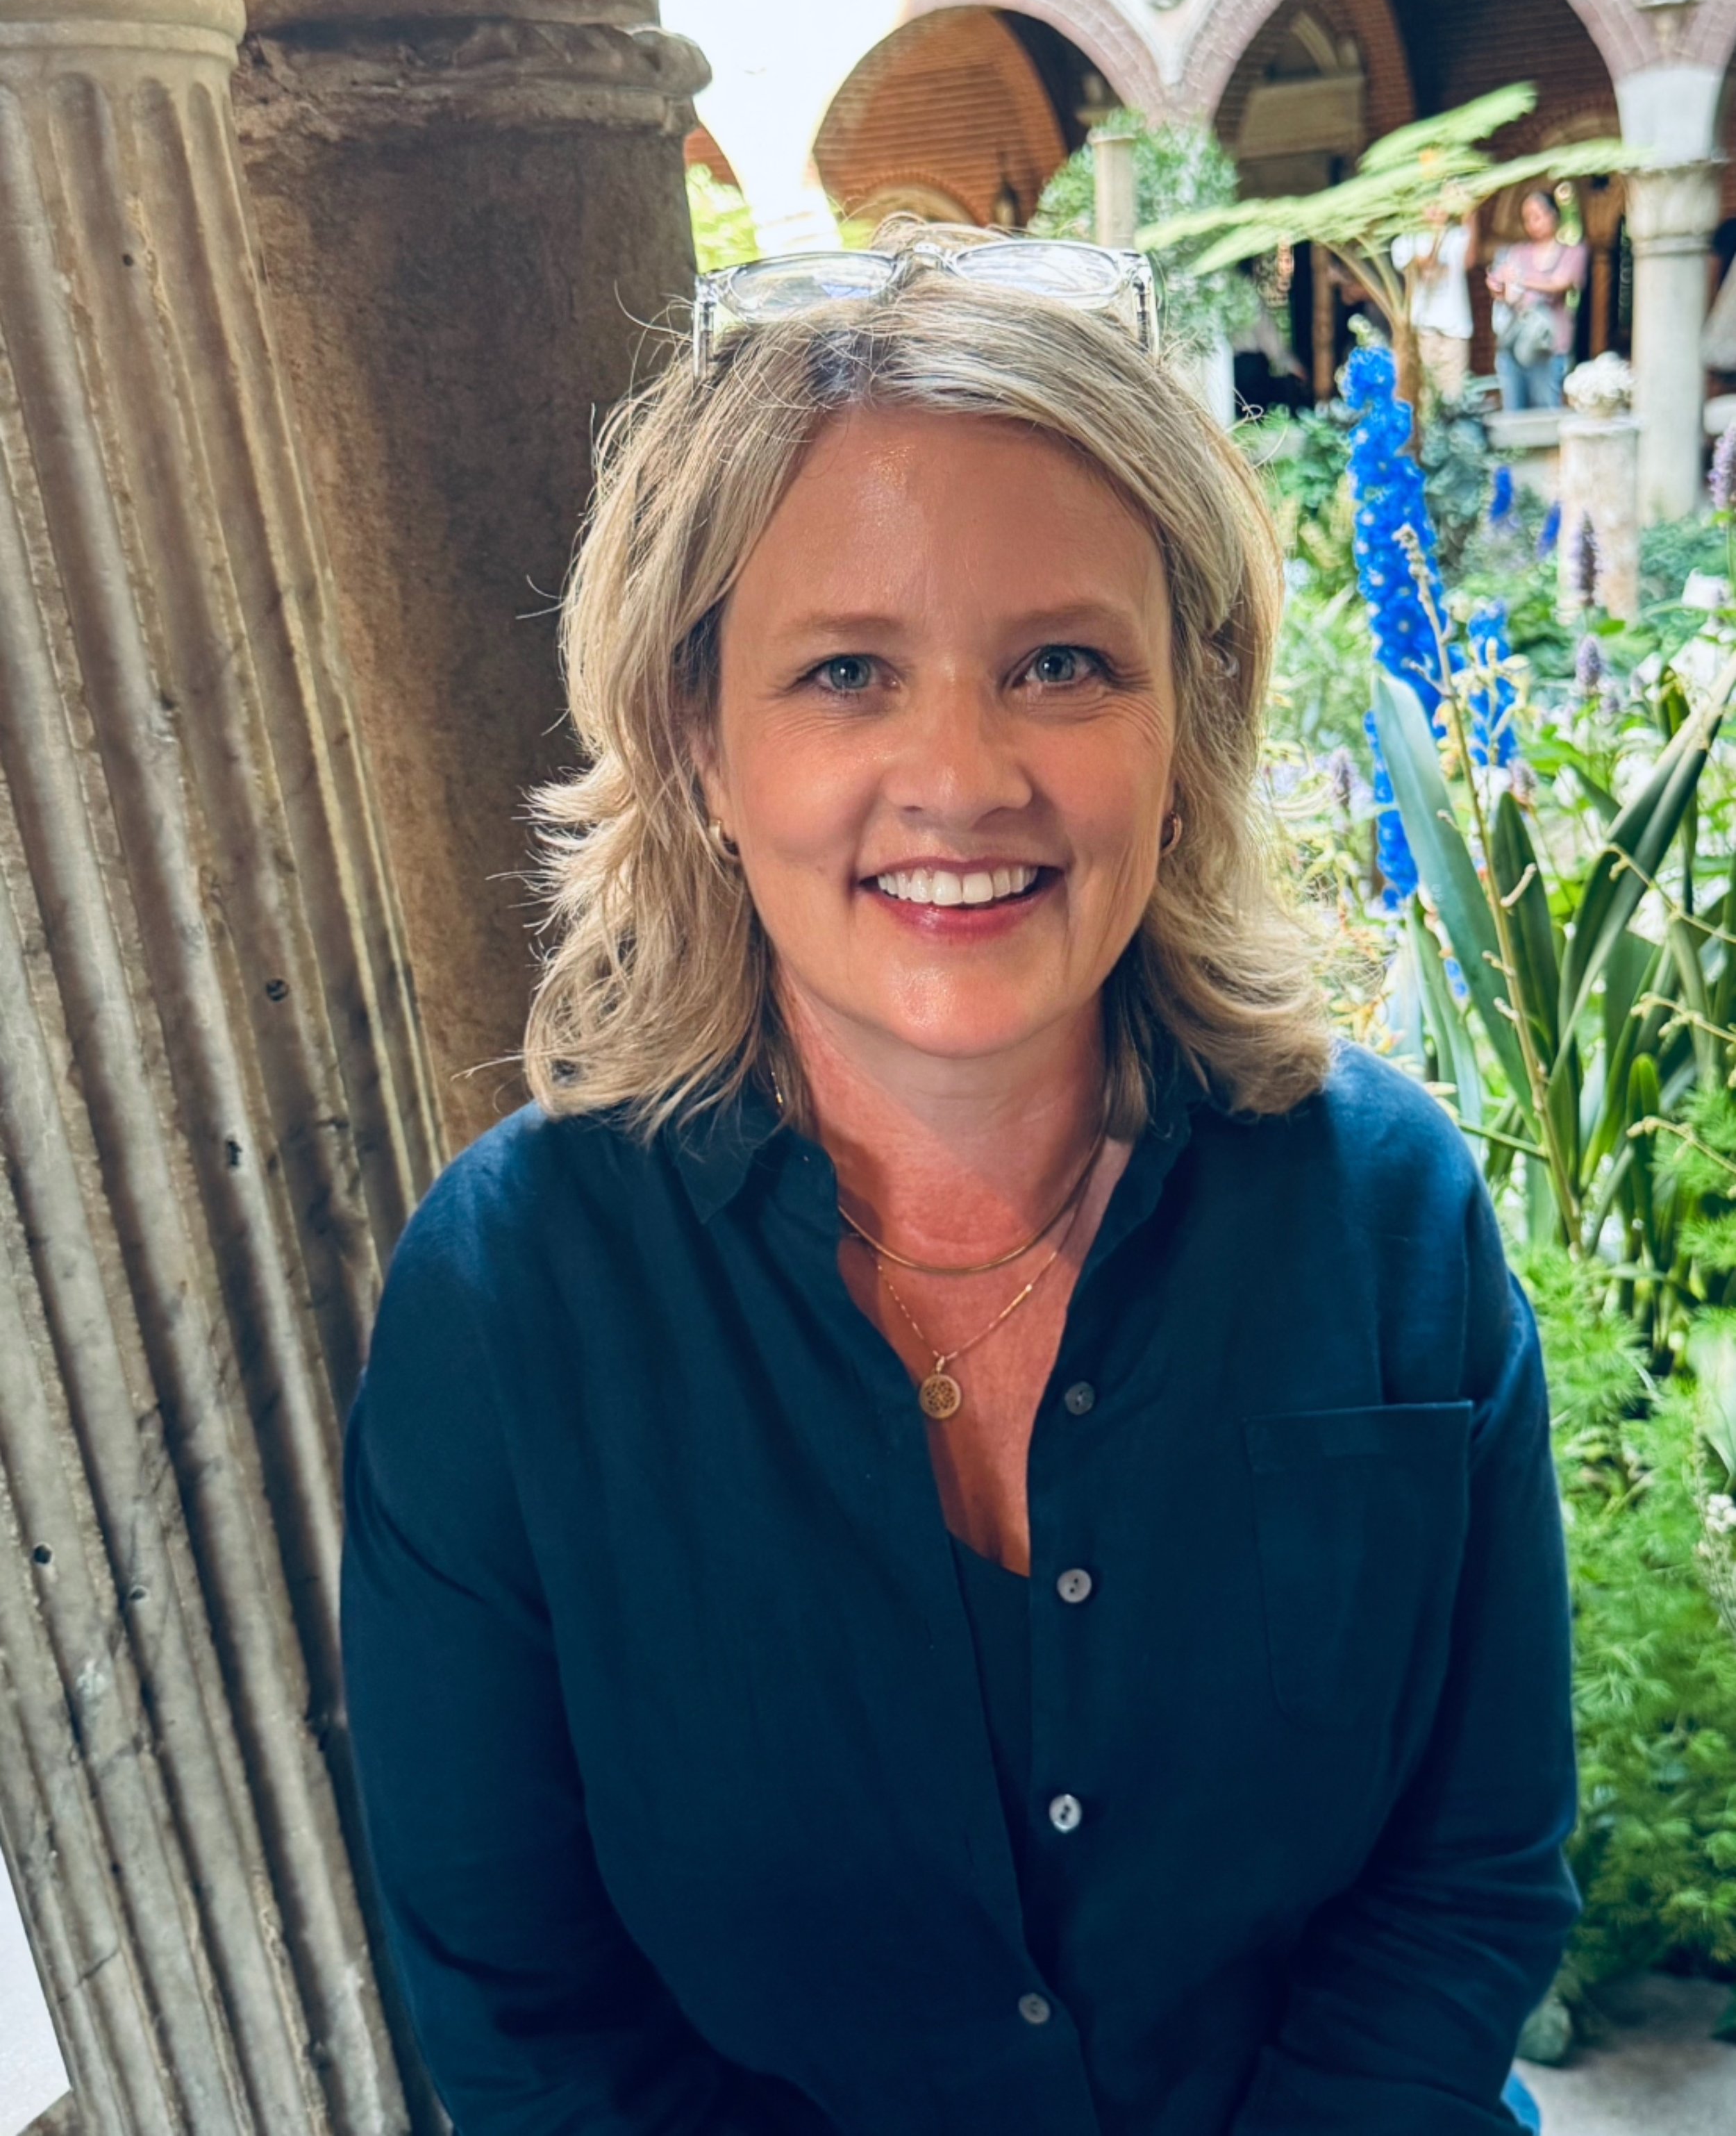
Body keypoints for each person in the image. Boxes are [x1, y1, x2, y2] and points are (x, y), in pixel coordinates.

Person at [340, 226, 1578, 2136]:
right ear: (695, 742)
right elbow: (533, 2023)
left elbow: (1470, 1876)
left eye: (1061, 663)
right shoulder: (512, 1307)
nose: (959, 772)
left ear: (1184, 721)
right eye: (846, 671)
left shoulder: (1385, 1216)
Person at [1489, 189, 1587, 411]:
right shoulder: (1516, 252)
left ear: (1553, 215)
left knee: (1547, 414)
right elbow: (1506, 292)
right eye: (1527, 219)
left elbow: (1559, 285)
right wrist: (1498, 286)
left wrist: (1521, 280)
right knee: (1514, 413)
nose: (1533, 224)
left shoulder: (1573, 252)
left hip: (1549, 347)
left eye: (1538, 216)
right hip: (1515, 344)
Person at [1393, 195, 1476, 401]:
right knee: (1426, 396)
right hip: (1423, 330)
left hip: (1456, 330)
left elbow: (1470, 260)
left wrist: (1470, 212)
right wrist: (1438, 236)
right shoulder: (1406, 242)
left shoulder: (1458, 236)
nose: (1437, 209)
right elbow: (1426, 267)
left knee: (1454, 396)